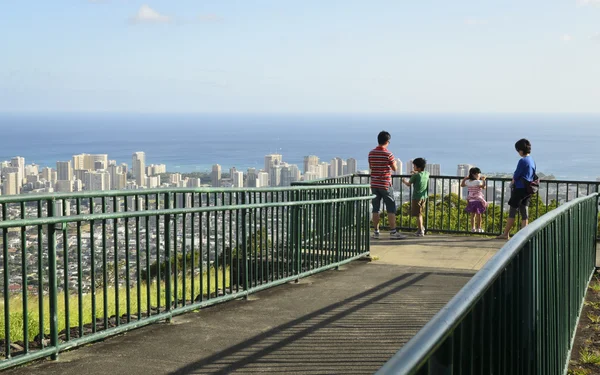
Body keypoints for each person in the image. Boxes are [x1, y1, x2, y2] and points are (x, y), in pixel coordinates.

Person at [368, 131, 406, 239]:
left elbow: (371, 166)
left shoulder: (371, 153)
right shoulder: (388, 154)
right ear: (387, 141)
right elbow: (394, 168)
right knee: (391, 208)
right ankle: (393, 232)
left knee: (375, 209)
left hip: (374, 184)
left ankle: (376, 232)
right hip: (385, 184)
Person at [497, 138, 536, 240]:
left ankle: (506, 234)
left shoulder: (522, 161)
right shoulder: (532, 160)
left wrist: (512, 182)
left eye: (518, 150)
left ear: (521, 150)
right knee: (524, 213)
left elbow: (517, 174)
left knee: (512, 211)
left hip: (519, 189)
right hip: (528, 189)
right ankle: (524, 236)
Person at [402, 158, 429, 237]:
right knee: (420, 213)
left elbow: (408, 184)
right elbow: (421, 175)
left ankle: (420, 230)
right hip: (424, 197)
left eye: (414, 166)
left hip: (416, 197)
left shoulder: (415, 176)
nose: (413, 167)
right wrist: (415, 173)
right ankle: (421, 228)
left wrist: (404, 181)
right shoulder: (427, 173)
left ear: (418, 168)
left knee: (418, 215)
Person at [461, 167, 487, 233]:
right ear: (474, 174)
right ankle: (479, 228)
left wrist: (464, 179)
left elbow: (462, 185)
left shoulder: (468, 182)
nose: (479, 175)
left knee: (472, 215)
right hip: (478, 199)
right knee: (479, 215)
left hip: (471, 200)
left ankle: (473, 228)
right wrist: (483, 180)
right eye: (478, 174)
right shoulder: (478, 182)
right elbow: (483, 187)